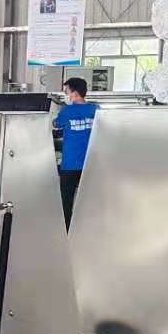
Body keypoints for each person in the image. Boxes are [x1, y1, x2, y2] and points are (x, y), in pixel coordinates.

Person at [52, 76, 99, 229]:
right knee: (90, 201)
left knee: (66, 203)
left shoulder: (67, 111)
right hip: (91, 165)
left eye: (67, 91)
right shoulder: (96, 110)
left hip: (70, 165)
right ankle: (88, 230)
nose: (66, 95)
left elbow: (55, 124)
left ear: (75, 93)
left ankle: (67, 232)